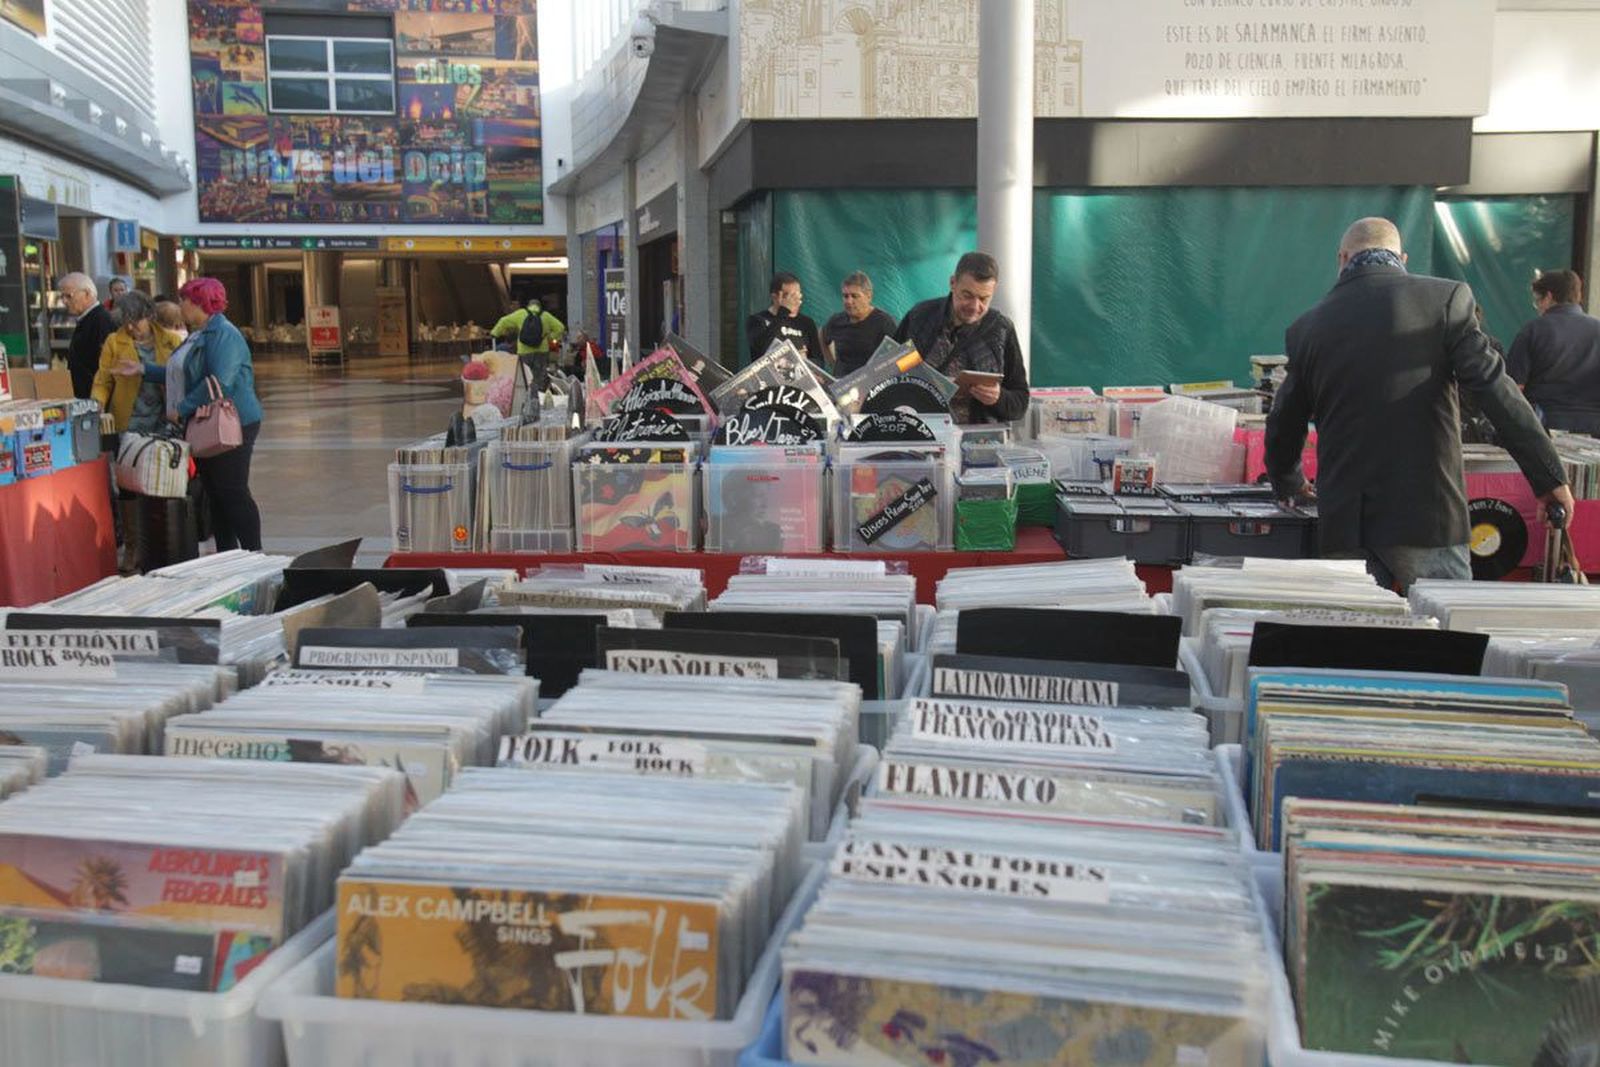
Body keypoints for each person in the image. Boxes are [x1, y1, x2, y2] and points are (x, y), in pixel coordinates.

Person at [1266, 217, 1573, 591]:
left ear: (1342, 258)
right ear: (1403, 257)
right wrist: (1548, 477)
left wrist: (1290, 483)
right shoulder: (1445, 300)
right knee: (1444, 638)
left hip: (1345, 521)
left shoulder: (1308, 326)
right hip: (1428, 518)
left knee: (1349, 641)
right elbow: (1495, 390)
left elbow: (1285, 421)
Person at [114, 277, 264, 552]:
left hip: (232, 423)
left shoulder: (223, 334)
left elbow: (218, 382)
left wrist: (180, 409)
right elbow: (182, 373)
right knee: (216, 494)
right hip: (208, 422)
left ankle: (254, 553)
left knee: (232, 491)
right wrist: (144, 370)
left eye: (184, 299)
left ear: (199, 303)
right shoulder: (200, 332)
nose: (179, 304)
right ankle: (228, 554)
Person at [893, 251, 1030, 425]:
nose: (974, 306)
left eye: (984, 299)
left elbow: (1020, 403)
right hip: (919, 434)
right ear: (952, 283)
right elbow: (890, 369)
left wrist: (998, 397)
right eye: (967, 295)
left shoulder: (1002, 330)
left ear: (993, 291)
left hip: (978, 441)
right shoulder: (919, 317)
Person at [1506, 270, 1600, 434]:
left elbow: (1514, 388)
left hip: (1545, 427)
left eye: (1537, 301)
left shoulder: (1532, 331)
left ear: (1548, 297)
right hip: (1594, 428)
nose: (1538, 308)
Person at [92, 290, 181, 433]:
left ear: (149, 316)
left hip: (164, 420)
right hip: (128, 422)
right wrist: (98, 402)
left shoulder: (172, 341)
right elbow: (103, 381)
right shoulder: (113, 342)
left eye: (135, 322)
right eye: (126, 322)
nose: (130, 327)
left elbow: (179, 377)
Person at [822, 271, 897, 376]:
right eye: (845, 296)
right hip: (841, 386)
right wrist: (832, 364)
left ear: (869, 296)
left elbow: (899, 356)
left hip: (872, 386)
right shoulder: (836, 321)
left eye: (854, 296)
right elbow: (822, 336)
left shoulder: (884, 323)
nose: (849, 301)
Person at [746, 272, 825, 366]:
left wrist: (803, 361)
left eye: (798, 295)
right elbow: (760, 351)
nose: (796, 301)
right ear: (775, 297)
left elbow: (819, 360)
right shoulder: (758, 320)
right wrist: (783, 311)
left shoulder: (806, 323)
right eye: (791, 296)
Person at [60, 272, 115, 400]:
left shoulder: (101, 320)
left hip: (95, 400)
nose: (64, 301)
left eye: (68, 296)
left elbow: (105, 367)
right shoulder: (88, 319)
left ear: (87, 294)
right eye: (61, 296)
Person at [490, 298, 566, 356]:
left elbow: (503, 321)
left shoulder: (521, 313)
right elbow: (560, 327)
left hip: (524, 351)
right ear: (540, 307)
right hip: (541, 351)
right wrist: (549, 338)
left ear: (528, 306)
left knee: (525, 374)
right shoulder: (546, 315)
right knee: (539, 375)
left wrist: (495, 333)